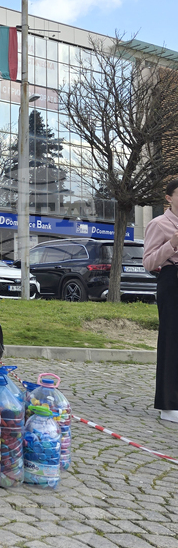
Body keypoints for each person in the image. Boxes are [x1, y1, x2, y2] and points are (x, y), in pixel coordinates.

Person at [143, 178, 178, 423]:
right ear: (169, 198)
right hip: (172, 279)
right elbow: (148, 262)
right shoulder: (159, 224)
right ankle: (169, 405)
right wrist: (172, 244)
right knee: (172, 340)